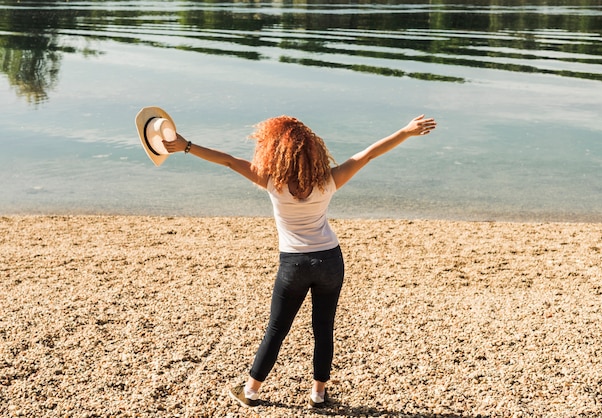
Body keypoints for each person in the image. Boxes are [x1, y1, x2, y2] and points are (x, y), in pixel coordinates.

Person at [163, 114, 437, 408]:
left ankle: (251, 391)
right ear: (313, 151)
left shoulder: (271, 182)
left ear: (276, 154)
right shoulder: (329, 180)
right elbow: (368, 154)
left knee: (277, 329)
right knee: (323, 328)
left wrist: (186, 146)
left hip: (293, 264)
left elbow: (229, 160)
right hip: (330, 260)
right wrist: (406, 131)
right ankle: (318, 394)